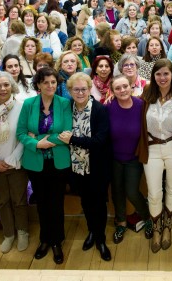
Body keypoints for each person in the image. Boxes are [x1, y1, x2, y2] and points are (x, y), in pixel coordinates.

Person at [136, 59, 172, 253]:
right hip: (152, 148)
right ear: (153, 76)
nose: (162, 78)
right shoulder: (145, 95)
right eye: (158, 74)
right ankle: (157, 228)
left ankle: (168, 226)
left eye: (166, 74)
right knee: (153, 192)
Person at [16, 67, 71, 264]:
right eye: (45, 82)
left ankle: (57, 241)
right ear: (38, 84)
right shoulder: (29, 104)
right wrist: (36, 143)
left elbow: (67, 132)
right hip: (35, 161)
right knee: (42, 203)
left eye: (53, 82)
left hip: (58, 162)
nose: (50, 86)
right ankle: (44, 239)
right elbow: (21, 133)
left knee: (56, 203)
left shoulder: (64, 103)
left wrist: (40, 137)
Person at [59, 73, 112, 261]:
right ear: (70, 91)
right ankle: (91, 231)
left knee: (98, 204)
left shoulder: (100, 110)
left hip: (97, 167)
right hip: (76, 167)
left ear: (90, 89)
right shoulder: (67, 108)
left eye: (84, 89)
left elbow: (99, 141)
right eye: (76, 89)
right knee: (86, 202)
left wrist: (72, 139)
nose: (80, 92)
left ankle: (101, 239)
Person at [0, 72, 29, 254]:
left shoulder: (21, 106)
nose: (2, 89)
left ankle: (22, 232)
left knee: (19, 200)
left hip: (16, 163)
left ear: (12, 87)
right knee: (2, 201)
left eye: (6, 85)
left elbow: (24, 137)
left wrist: (11, 159)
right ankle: (9, 234)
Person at [107, 75, 154, 244]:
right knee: (117, 192)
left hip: (134, 158)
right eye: (117, 88)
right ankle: (121, 222)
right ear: (112, 91)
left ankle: (147, 218)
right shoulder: (109, 108)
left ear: (131, 87)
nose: (122, 90)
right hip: (114, 158)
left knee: (132, 191)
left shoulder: (142, 106)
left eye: (125, 86)